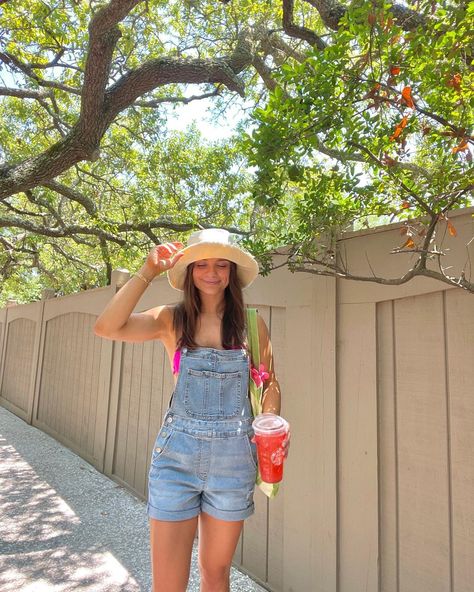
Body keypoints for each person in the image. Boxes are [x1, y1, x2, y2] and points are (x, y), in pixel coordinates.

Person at [94, 228, 289, 592]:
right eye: (201, 265)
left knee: (216, 575)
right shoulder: (171, 320)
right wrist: (147, 271)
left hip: (234, 462)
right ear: (189, 272)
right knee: (168, 584)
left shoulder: (251, 324)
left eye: (220, 265)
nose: (211, 273)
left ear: (231, 272)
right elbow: (107, 327)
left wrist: (269, 420)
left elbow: (269, 381)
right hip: (176, 462)